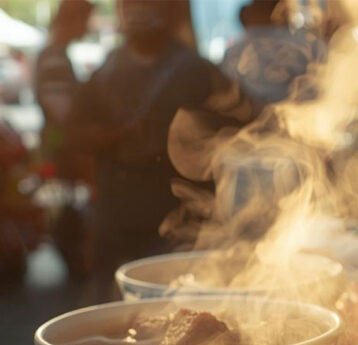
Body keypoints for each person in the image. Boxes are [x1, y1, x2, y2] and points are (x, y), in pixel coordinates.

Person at [65, 0, 249, 290]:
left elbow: (239, 134)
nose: (138, 9)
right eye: (129, 3)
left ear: (173, 11)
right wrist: (116, 135)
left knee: (177, 304)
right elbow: (74, 135)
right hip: (114, 217)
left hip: (179, 222)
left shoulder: (198, 73)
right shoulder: (105, 72)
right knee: (111, 304)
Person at [220, 0, 322, 108]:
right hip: (302, 116)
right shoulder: (305, 45)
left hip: (248, 120)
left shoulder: (232, 54)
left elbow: (226, 96)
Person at [34, 0, 93, 180]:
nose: (87, 28)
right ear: (71, 21)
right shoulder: (54, 58)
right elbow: (62, 114)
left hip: (60, 150)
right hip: (62, 155)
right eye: (85, 20)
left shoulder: (55, 54)